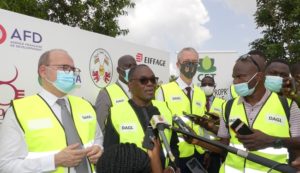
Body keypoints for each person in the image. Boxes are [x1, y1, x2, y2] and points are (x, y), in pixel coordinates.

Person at [0, 49, 103, 173]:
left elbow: (97, 138)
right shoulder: (19, 110)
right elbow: (6, 165)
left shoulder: (84, 105)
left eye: (73, 69)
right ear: (43, 71)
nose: (70, 73)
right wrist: (53, 161)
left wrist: (98, 148)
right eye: (64, 68)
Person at [218, 53, 300, 173]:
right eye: (234, 77)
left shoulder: (289, 106)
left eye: (240, 77)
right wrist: (198, 141)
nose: (235, 82)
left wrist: (271, 140)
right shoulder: (227, 106)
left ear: (259, 77)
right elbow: (223, 145)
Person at [104, 64, 176, 171]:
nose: (150, 84)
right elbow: (110, 157)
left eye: (153, 80)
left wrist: (171, 167)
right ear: (130, 85)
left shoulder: (164, 108)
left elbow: (174, 145)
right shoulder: (116, 113)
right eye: (143, 80)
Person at [156, 47, 207, 173]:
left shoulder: (200, 93)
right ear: (178, 64)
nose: (191, 65)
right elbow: (159, 127)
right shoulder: (163, 90)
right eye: (187, 61)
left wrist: (206, 150)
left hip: (199, 151)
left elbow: (202, 126)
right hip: (176, 154)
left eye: (195, 62)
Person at [95, 55, 137, 134]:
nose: (132, 69)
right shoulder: (106, 93)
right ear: (118, 70)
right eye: (127, 66)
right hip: (118, 145)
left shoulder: (141, 90)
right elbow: (100, 128)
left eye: (134, 66)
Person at [198, 75, 225, 173]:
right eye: (204, 84)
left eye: (210, 84)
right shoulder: (196, 102)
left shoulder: (222, 103)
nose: (207, 86)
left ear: (214, 86)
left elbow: (225, 127)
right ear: (200, 86)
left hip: (215, 149)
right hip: (198, 147)